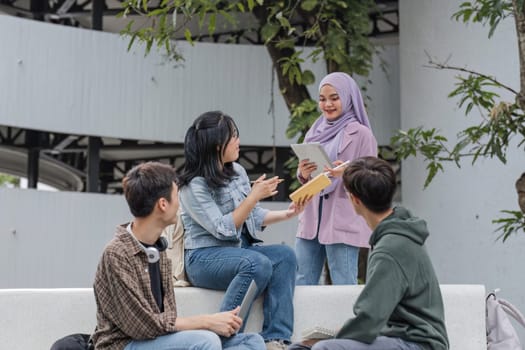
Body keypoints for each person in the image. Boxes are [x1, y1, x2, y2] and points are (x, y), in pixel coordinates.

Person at [91, 161, 265, 350]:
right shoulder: (117, 254)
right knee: (207, 341)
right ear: (163, 204)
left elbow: (166, 319)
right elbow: (142, 326)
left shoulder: (160, 251)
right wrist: (207, 321)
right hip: (123, 345)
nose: (180, 205)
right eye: (177, 196)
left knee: (252, 342)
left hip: (156, 339)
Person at [177, 111, 309, 350]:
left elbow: (252, 215)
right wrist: (253, 196)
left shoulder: (237, 171)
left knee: (284, 256)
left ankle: (275, 339)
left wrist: (289, 214)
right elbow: (223, 229)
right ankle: (226, 340)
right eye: (233, 136)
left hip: (240, 252)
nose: (239, 141)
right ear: (218, 145)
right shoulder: (193, 187)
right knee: (256, 263)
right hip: (204, 258)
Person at [305, 156, 449, 350]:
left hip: (420, 344)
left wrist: (328, 339)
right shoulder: (401, 230)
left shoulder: (390, 248)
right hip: (403, 337)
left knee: (324, 349)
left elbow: (370, 318)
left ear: (354, 200)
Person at [295, 72, 378, 285]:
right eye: (322, 99)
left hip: (342, 219)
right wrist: (303, 174)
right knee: (301, 282)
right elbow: (307, 176)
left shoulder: (361, 134)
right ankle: (303, 321)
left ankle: (346, 321)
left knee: (343, 284)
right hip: (312, 218)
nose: (327, 104)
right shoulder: (314, 131)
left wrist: (348, 172)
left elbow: (373, 176)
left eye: (334, 97)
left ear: (348, 97)